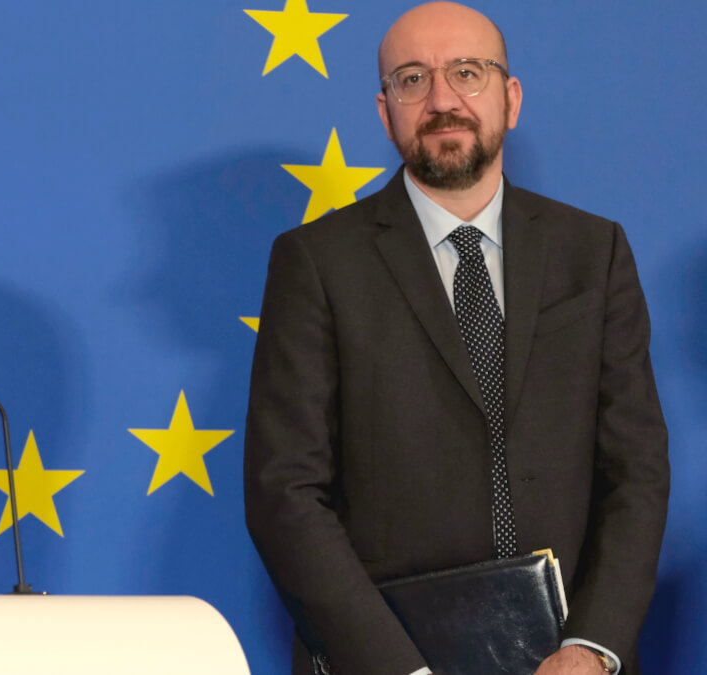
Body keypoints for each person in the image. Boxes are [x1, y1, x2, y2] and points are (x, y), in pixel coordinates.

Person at [244, 3, 668, 674]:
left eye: (468, 72)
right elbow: (284, 493)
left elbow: (637, 471)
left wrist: (593, 646)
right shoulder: (316, 262)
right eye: (412, 79)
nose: (442, 100)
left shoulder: (595, 251)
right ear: (385, 112)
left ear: (511, 98)